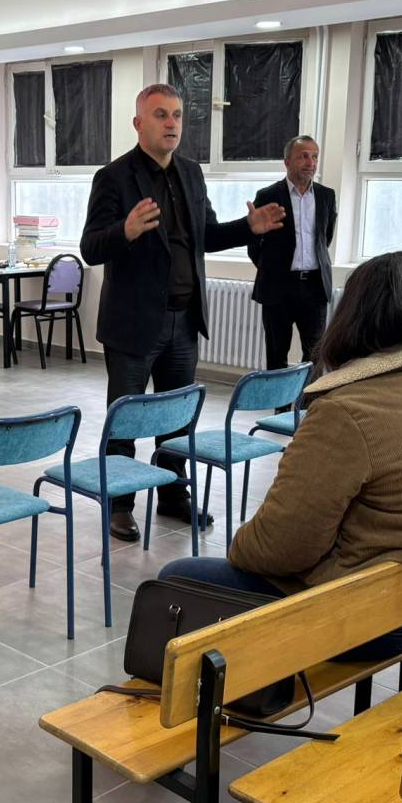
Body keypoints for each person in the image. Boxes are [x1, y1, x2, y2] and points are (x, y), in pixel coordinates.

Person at [158, 251, 402, 658]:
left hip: (369, 620)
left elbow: (278, 548)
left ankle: (219, 692)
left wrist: (241, 545)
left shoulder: (347, 410)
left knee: (176, 579)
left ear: (356, 314)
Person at [80, 82, 286, 541]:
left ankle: (174, 496)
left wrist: (248, 228)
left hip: (184, 319)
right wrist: (125, 230)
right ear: (138, 123)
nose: (171, 123)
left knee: (176, 418)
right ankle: (120, 504)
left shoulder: (191, 173)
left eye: (176, 115)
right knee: (126, 420)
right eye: (160, 115)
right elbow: (90, 247)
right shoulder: (113, 177)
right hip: (134, 323)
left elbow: (205, 235)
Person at [246, 135, 337, 371]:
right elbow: (254, 243)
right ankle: (279, 397)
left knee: (315, 355)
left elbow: (325, 237)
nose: (310, 163)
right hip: (278, 287)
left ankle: (310, 396)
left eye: (314, 157)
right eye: (303, 156)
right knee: (276, 354)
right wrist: (271, 268)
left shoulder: (326, 196)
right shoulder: (268, 195)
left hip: (314, 287)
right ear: (287, 162)